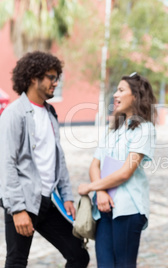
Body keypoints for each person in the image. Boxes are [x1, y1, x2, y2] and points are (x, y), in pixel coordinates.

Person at [0, 51, 90, 267]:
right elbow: (6, 163)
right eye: (51, 77)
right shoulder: (15, 114)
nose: (56, 83)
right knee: (17, 261)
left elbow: (57, 158)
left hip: (47, 202)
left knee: (78, 255)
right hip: (23, 201)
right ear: (34, 77)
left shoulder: (50, 113)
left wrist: (67, 195)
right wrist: (18, 210)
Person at [78, 72, 156, 268]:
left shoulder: (144, 129)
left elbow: (125, 172)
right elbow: (95, 164)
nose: (115, 94)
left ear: (136, 96)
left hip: (127, 208)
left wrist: (90, 187)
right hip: (103, 206)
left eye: (121, 90)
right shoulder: (112, 129)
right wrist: (100, 191)